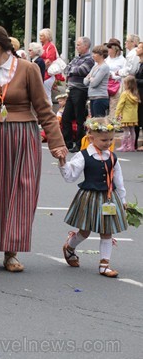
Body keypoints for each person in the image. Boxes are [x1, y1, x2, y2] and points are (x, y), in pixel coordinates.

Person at [0, 25, 66, 272]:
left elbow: (43, 108)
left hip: (22, 137)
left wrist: (57, 144)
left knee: (19, 193)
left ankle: (11, 252)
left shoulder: (27, 69)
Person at [60, 117, 128, 278]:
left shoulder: (112, 157)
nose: (108, 143)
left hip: (108, 197)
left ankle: (104, 264)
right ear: (91, 138)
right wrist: (63, 163)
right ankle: (69, 246)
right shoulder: (83, 156)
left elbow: (118, 179)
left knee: (107, 232)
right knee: (85, 232)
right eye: (104, 140)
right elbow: (70, 177)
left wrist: (123, 199)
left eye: (111, 139)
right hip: (89, 197)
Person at [61, 37, 94, 152]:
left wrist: (71, 69)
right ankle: (67, 142)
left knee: (80, 118)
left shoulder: (89, 59)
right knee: (65, 117)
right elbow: (66, 69)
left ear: (86, 46)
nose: (77, 47)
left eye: (79, 45)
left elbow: (82, 70)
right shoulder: (76, 58)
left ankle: (79, 144)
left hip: (80, 90)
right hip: (71, 89)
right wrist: (72, 69)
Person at [84, 45, 110, 117]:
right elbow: (85, 82)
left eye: (95, 53)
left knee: (98, 122)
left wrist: (90, 78)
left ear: (101, 55)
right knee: (93, 121)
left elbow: (95, 83)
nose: (93, 55)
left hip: (100, 98)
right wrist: (90, 78)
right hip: (92, 97)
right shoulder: (95, 66)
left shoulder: (104, 67)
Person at [115, 76, 139, 152]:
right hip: (133, 116)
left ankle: (124, 146)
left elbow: (120, 105)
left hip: (126, 115)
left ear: (127, 84)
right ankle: (132, 146)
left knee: (126, 131)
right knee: (132, 131)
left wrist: (117, 114)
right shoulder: (136, 94)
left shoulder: (124, 94)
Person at [39, 28, 61, 104]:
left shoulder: (50, 46)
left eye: (42, 36)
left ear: (47, 36)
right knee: (44, 95)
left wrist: (40, 68)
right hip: (43, 73)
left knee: (46, 95)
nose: (40, 37)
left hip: (47, 74)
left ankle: (49, 113)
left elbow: (49, 60)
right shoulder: (43, 46)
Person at [105, 38, 126, 114]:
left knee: (114, 108)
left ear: (115, 49)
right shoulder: (107, 59)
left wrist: (112, 75)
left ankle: (113, 125)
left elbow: (125, 74)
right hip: (105, 86)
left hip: (117, 87)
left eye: (110, 47)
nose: (108, 49)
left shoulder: (122, 60)